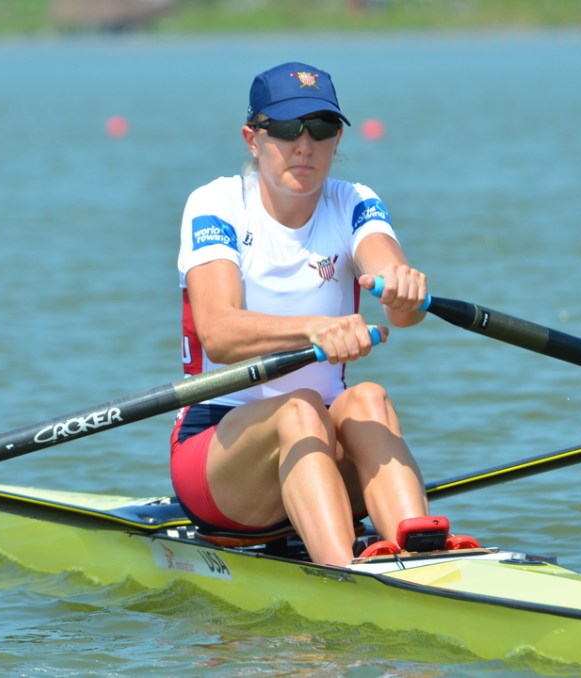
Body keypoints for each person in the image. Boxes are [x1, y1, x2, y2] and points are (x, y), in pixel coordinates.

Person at [171, 61, 434, 567]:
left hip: (326, 449)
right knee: (301, 406)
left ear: (338, 139)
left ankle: (422, 555)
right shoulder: (217, 204)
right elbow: (220, 334)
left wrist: (403, 289)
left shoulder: (355, 202)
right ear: (252, 138)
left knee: (368, 397)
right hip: (219, 454)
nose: (305, 145)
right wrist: (317, 328)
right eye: (287, 130)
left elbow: (399, 308)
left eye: (322, 128)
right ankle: (344, 576)